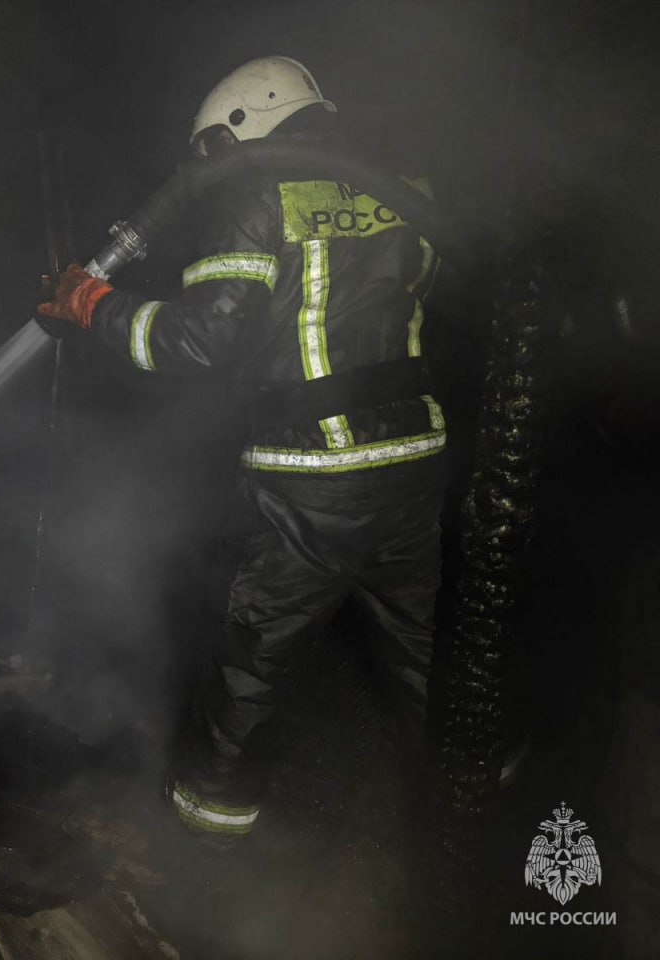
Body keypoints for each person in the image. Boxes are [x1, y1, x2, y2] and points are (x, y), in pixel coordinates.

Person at [37, 56, 446, 842]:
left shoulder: (259, 193)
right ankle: (469, 806)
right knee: (425, 649)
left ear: (240, 127)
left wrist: (95, 305)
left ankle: (211, 827)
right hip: (414, 461)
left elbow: (200, 339)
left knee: (251, 661)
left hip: (309, 479)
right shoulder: (404, 187)